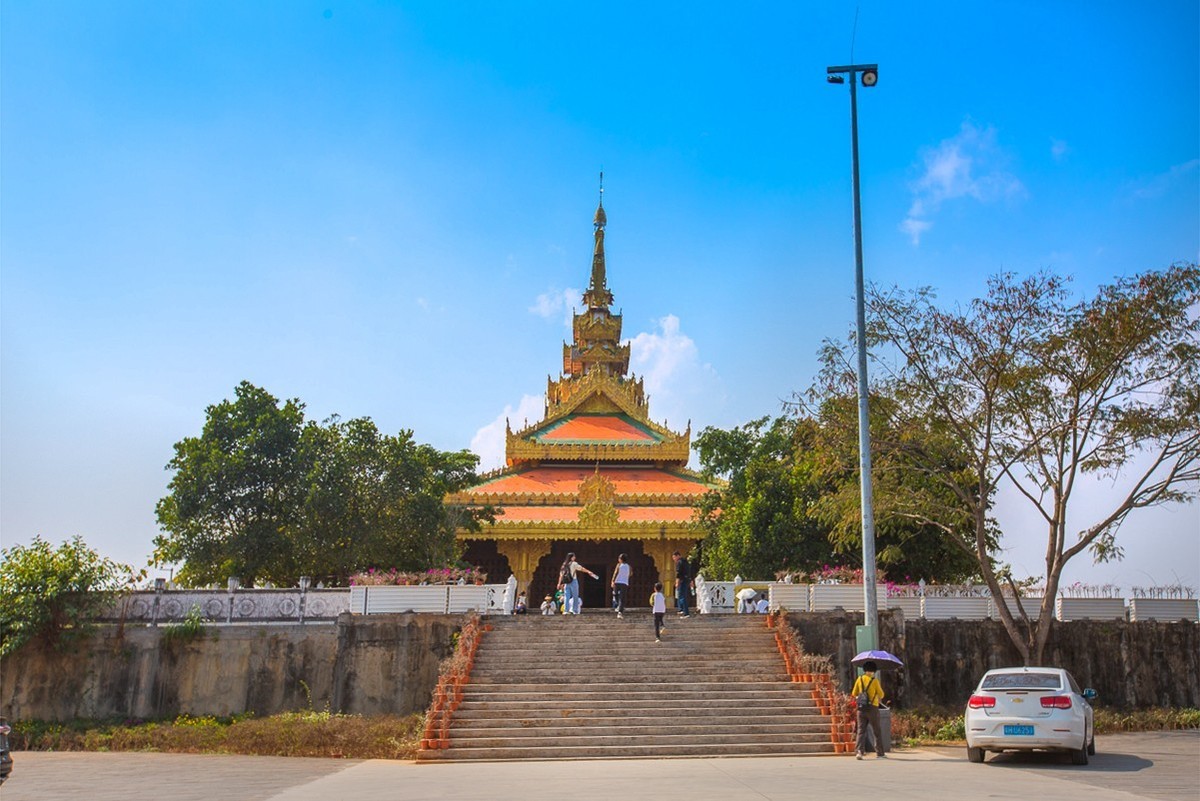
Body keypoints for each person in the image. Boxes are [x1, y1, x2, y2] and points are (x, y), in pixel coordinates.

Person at [852, 661, 887, 760]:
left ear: (864, 669)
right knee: (877, 730)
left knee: (861, 730)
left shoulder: (859, 679)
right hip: (872, 708)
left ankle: (859, 751)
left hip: (861, 708)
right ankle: (880, 753)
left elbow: (854, 693)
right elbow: (881, 694)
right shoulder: (875, 681)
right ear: (874, 671)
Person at [672, 550, 693, 617]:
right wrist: (691, 580)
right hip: (687, 580)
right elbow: (689, 572)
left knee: (681, 596)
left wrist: (677, 582)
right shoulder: (686, 562)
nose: (674, 560)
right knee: (683, 596)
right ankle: (681, 609)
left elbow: (679, 573)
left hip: (682, 581)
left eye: (674, 558)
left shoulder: (679, 562)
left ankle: (684, 611)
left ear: (677, 556)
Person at [611, 553, 632, 618]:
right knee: (619, 596)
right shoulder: (629, 566)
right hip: (624, 583)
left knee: (617, 595)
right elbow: (631, 574)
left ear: (621, 559)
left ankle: (619, 610)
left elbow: (615, 573)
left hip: (618, 582)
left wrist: (612, 581)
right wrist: (625, 577)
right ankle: (619, 607)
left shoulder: (619, 565)